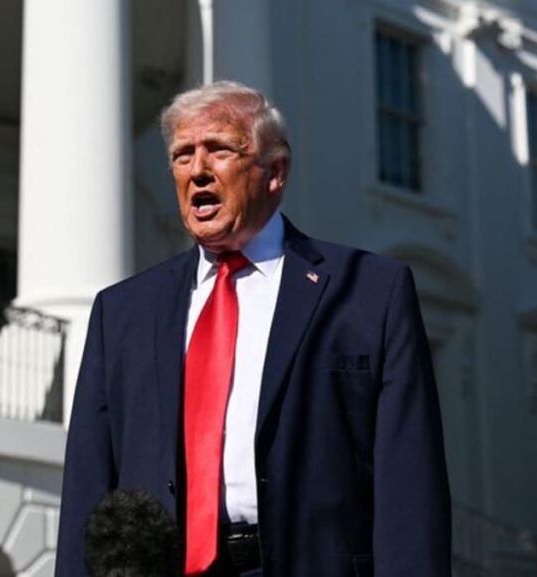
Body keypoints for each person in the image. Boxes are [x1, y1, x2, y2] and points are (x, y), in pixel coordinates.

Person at [55, 80, 451, 577]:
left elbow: (410, 481)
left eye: (219, 149)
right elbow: (88, 485)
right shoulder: (122, 311)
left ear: (275, 172)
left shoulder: (370, 293)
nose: (197, 170)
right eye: (182, 155)